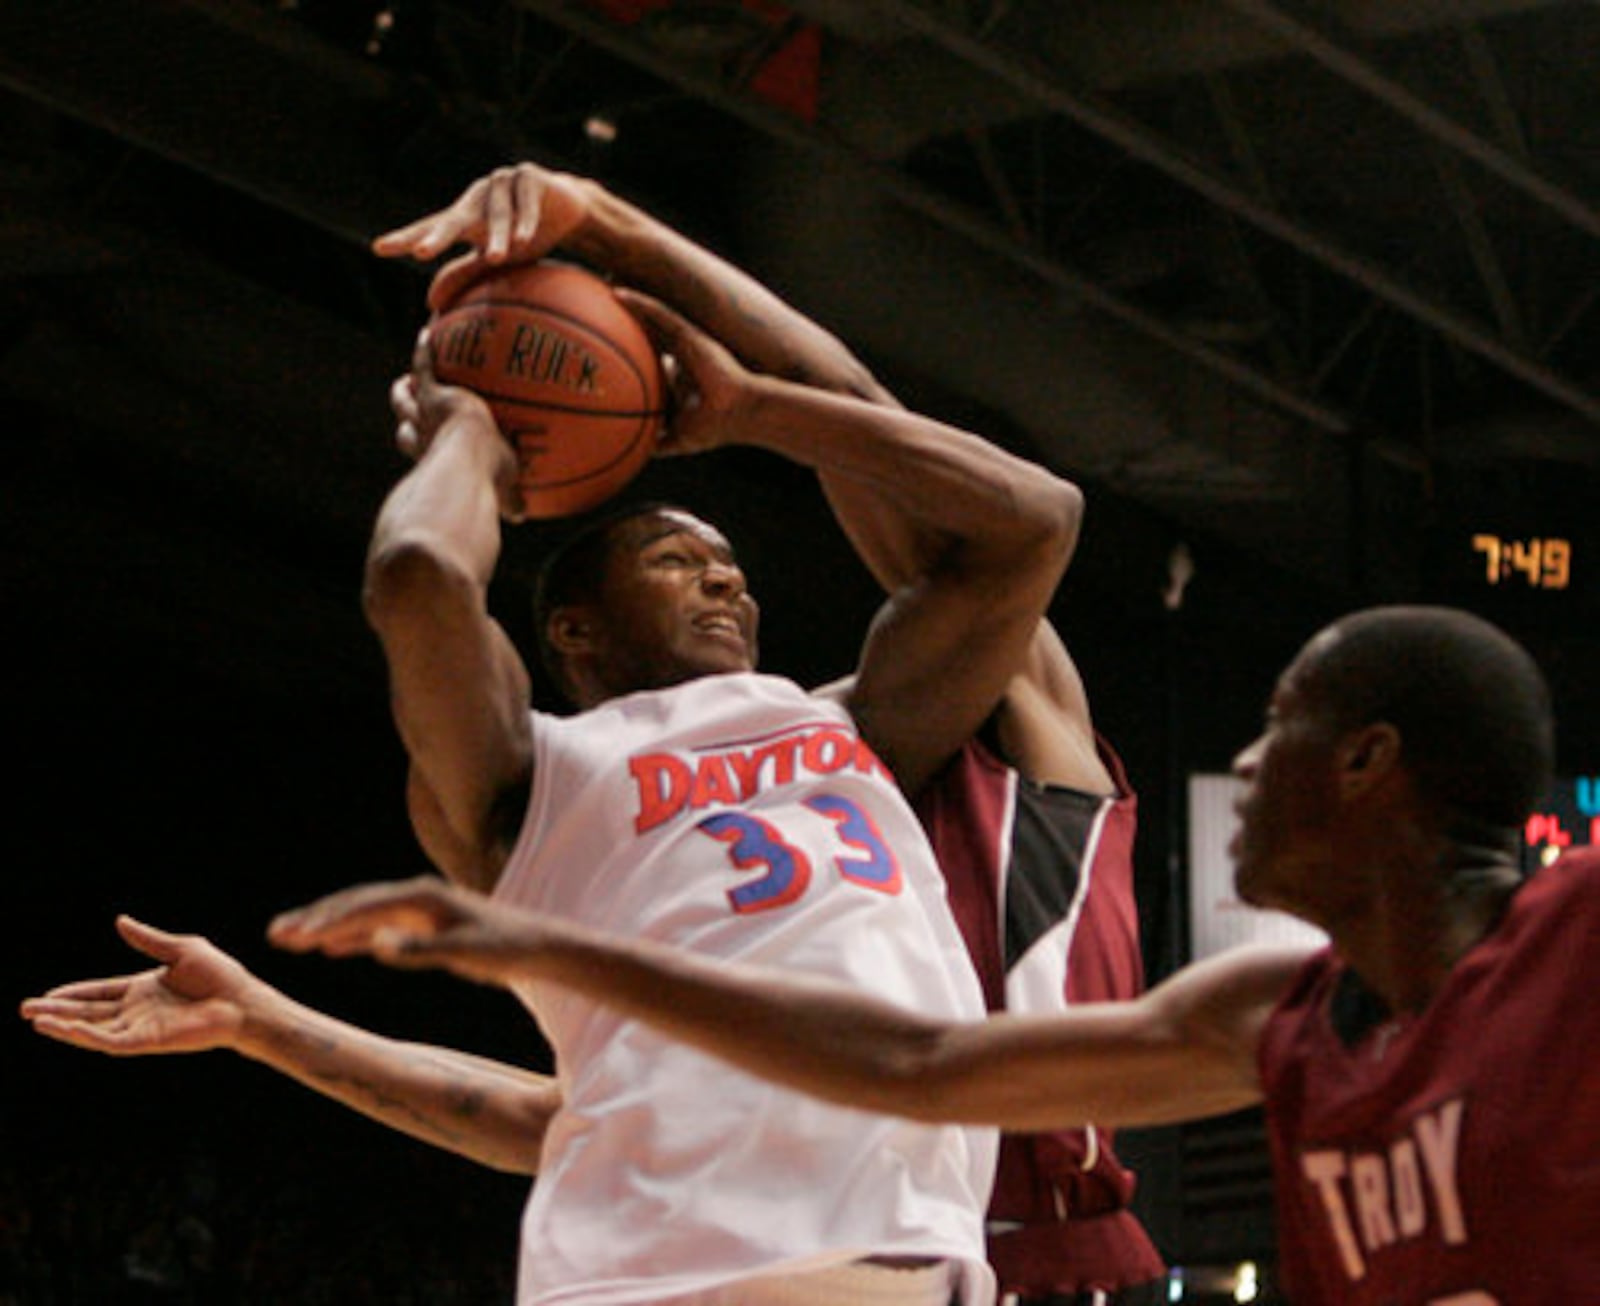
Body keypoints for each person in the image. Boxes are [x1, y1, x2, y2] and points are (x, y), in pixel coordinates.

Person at [26, 163, 1157, 1302]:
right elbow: (418, 576)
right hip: (781, 1246)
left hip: (976, 1237)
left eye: (733, 568)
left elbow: (1002, 505)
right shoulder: (544, 773)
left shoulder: (861, 728)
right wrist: (471, 441)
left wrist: (716, 359)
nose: (724, 585)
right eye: (679, 562)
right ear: (572, 626)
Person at [265, 605, 1600, 1306]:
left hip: (1035, 1247)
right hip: (940, 1242)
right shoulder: (1279, 1010)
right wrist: (533, 945)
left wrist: (753, 378)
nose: (1247, 761)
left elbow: (1008, 539)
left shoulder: (1049, 804)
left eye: (1280, 727)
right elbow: (912, 1062)